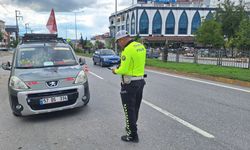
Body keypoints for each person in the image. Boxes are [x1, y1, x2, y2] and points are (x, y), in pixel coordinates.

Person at [112, 30, 146, 143]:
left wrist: (115, 70)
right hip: (140, 82)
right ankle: (132, 127)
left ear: (122, 39)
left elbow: (124, 69)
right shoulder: (140, 46)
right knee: (135, 108)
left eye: (118, 42)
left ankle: (132, 135)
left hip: (130, 84)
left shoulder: (127, 50)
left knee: (128, 110)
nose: (118, 44)